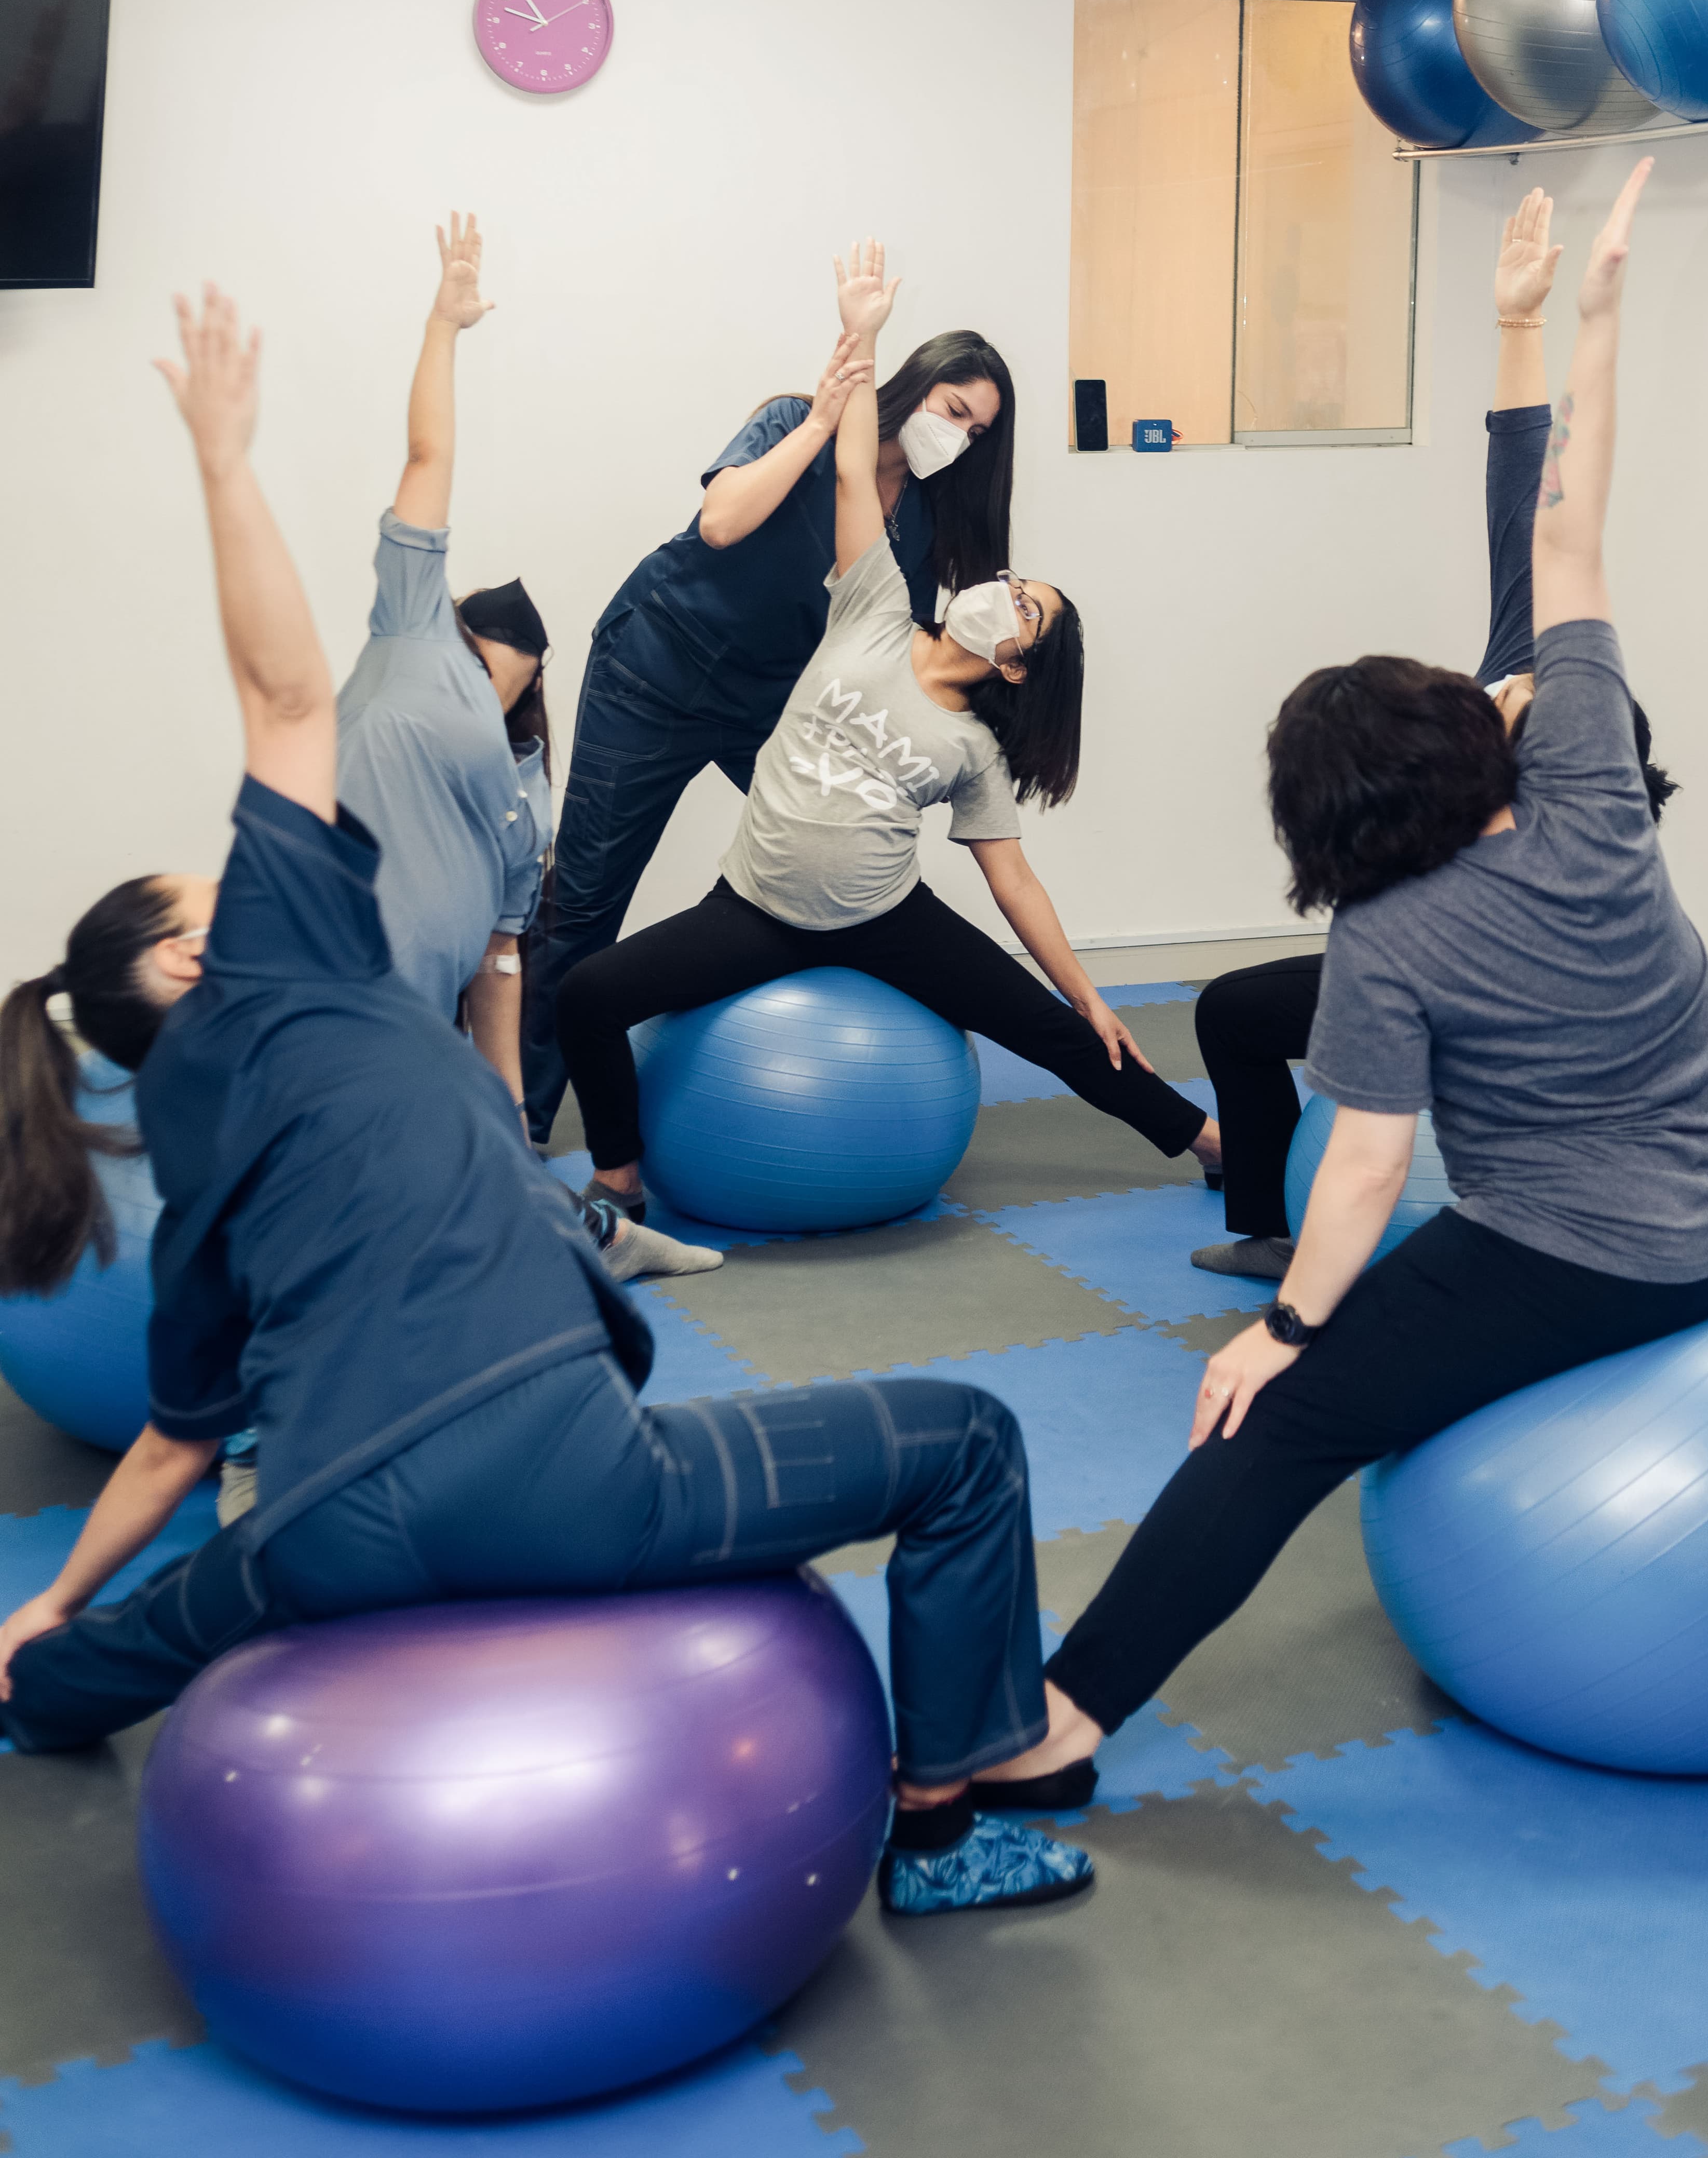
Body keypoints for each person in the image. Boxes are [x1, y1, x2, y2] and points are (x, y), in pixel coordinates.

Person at [0, 284, 1093, 1919]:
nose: (234, 862)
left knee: (133, 1639)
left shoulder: (192, 1129)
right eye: (203, 880)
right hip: (572, 1484)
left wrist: (56, 1603)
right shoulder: (308, 959)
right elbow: (289, 697)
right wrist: (225, 464)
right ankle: (942, 1826)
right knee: (968, 1442)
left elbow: (174, 1440)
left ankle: (28, 1685)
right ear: (192, 951)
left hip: (319, 1538)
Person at [974, 161, 1708, 1803]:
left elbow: (1366, 1166)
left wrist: (1282, 1332)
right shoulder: (1591, 785)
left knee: (1261, 1430)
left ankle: (1058, 1733)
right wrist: (1584, 314)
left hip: (1593, 1261)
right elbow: (1568, 521)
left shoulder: (1387, 934)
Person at [557, 241, 1223, 1214]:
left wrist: (1086, 990)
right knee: (586, 989)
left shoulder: (978, 746)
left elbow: (1014, 879)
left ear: (1016, 664)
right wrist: (859, 341)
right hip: (755, 907)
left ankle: (1207, 1139)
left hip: (880, 917)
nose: (1001, 592)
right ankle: (616, 1177)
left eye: (1022, 609)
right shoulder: (874, 605)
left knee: (1045, 1027)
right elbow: (847, 485)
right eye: (1008, 582)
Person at [1190, 186, 1677, 1280]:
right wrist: (1519, 322)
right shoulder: (1527, 654)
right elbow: (1529, 483)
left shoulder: (1575, 815)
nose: (1503, 693)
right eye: (1511, 691)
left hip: (1529, 1037)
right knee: (1232, 1013)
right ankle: (1272, 1224)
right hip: (1422, 967)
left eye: (1521, 709)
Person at [520, 258, 1023, 1153]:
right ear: (915, 386)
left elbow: (888, 637)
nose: (961, 436)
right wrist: (828, 420)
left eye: (979, 431)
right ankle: (524, 1110)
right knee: (592, 897)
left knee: (842, 852)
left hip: (770, 701)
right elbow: (721, 523)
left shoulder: (926, 520)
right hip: (655, 667)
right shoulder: (794, 417)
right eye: (954, 410)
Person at [332, 213, 715, 1293]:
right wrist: (444, 326)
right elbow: (427, 459)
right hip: (337, 996)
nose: (500, 666)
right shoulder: (408, 642)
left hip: (429, 1023)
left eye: (517, 666)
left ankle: (596, 1235)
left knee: (459, 1182)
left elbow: (505, 948)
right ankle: (599, 1239)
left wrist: (506, 1088)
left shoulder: (525, 778)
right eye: (492, 648)